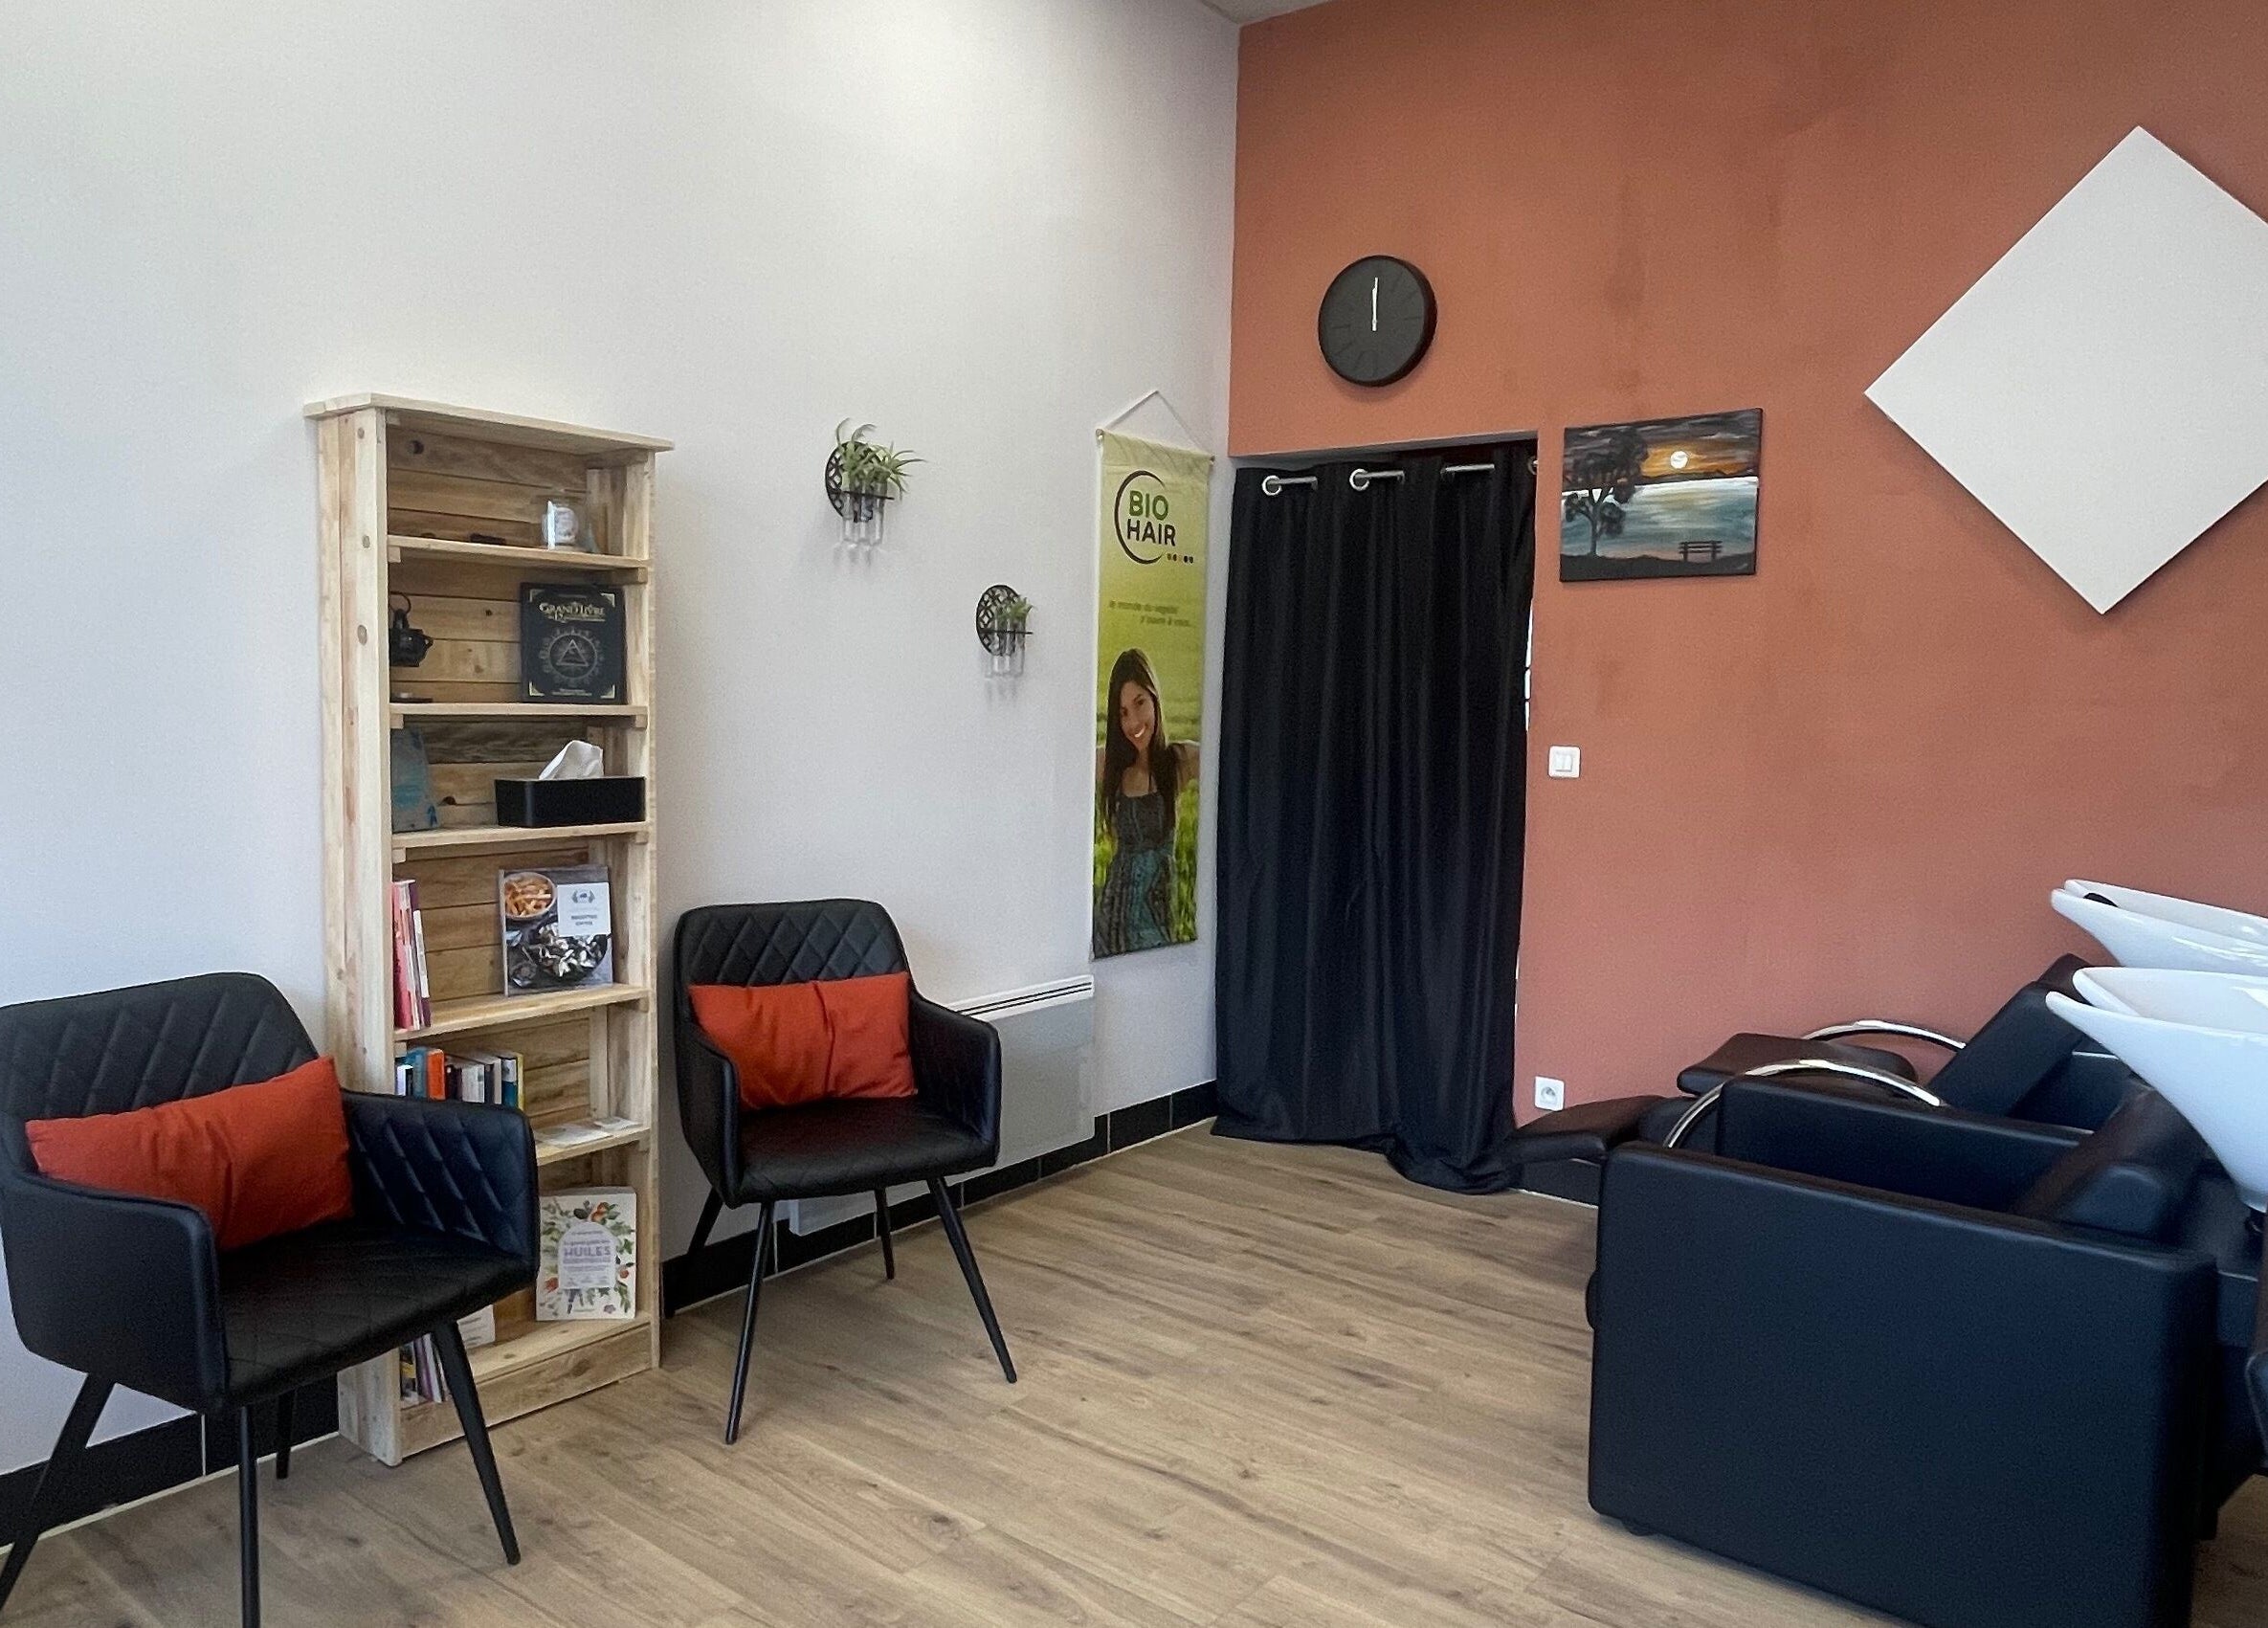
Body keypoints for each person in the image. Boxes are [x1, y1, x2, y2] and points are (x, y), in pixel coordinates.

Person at [1094, 648, 1199, 956]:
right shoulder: (1109, 765)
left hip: (1158, 921)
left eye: (1140, 703)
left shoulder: (1179, 761)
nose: (1134, 722)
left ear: (1155, 699)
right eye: (1123, 712)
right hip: (1111, 921)